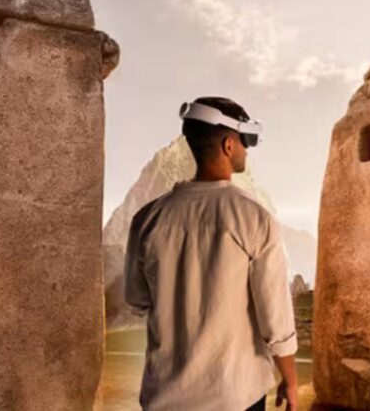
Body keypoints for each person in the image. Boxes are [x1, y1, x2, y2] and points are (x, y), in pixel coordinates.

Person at [124, 96, 299, 411]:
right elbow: (274, 317)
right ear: (230, 145)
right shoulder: (254, 217)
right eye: (246, 142)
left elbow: (136, 300)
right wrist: (290, 378)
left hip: (164, 397)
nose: (247, 150)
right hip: (236, 396)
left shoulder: (147, 218)